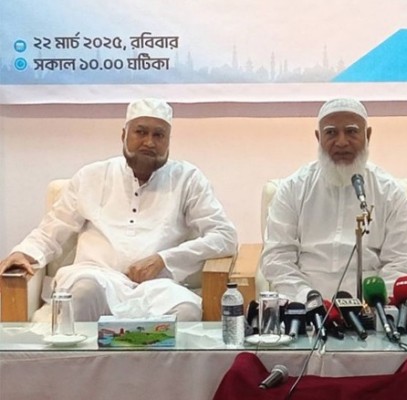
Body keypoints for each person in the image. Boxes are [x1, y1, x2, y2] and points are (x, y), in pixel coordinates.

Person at [0, 98, 237, 322]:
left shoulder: (188, 179)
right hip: (95, 277)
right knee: (84, 292)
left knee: (186, 312)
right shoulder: (91, 176)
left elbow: (225, 236)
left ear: (168, 141)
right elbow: (52, 230)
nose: (149, 142)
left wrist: (164, 259)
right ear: (124, 135)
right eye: (140, 132)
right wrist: (24, 253)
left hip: (156, 288)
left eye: (159, 135)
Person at [261, 98, 407, 303]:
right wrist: (308, 298)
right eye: (331, 133)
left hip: (371, 305)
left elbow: (401, 262)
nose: (342, 142)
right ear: (318, 137)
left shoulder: (390, 192)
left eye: (352, 131)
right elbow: (277, 258)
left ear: (368, 135)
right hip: (304, 302)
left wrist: (374, 304)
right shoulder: (293, 188)